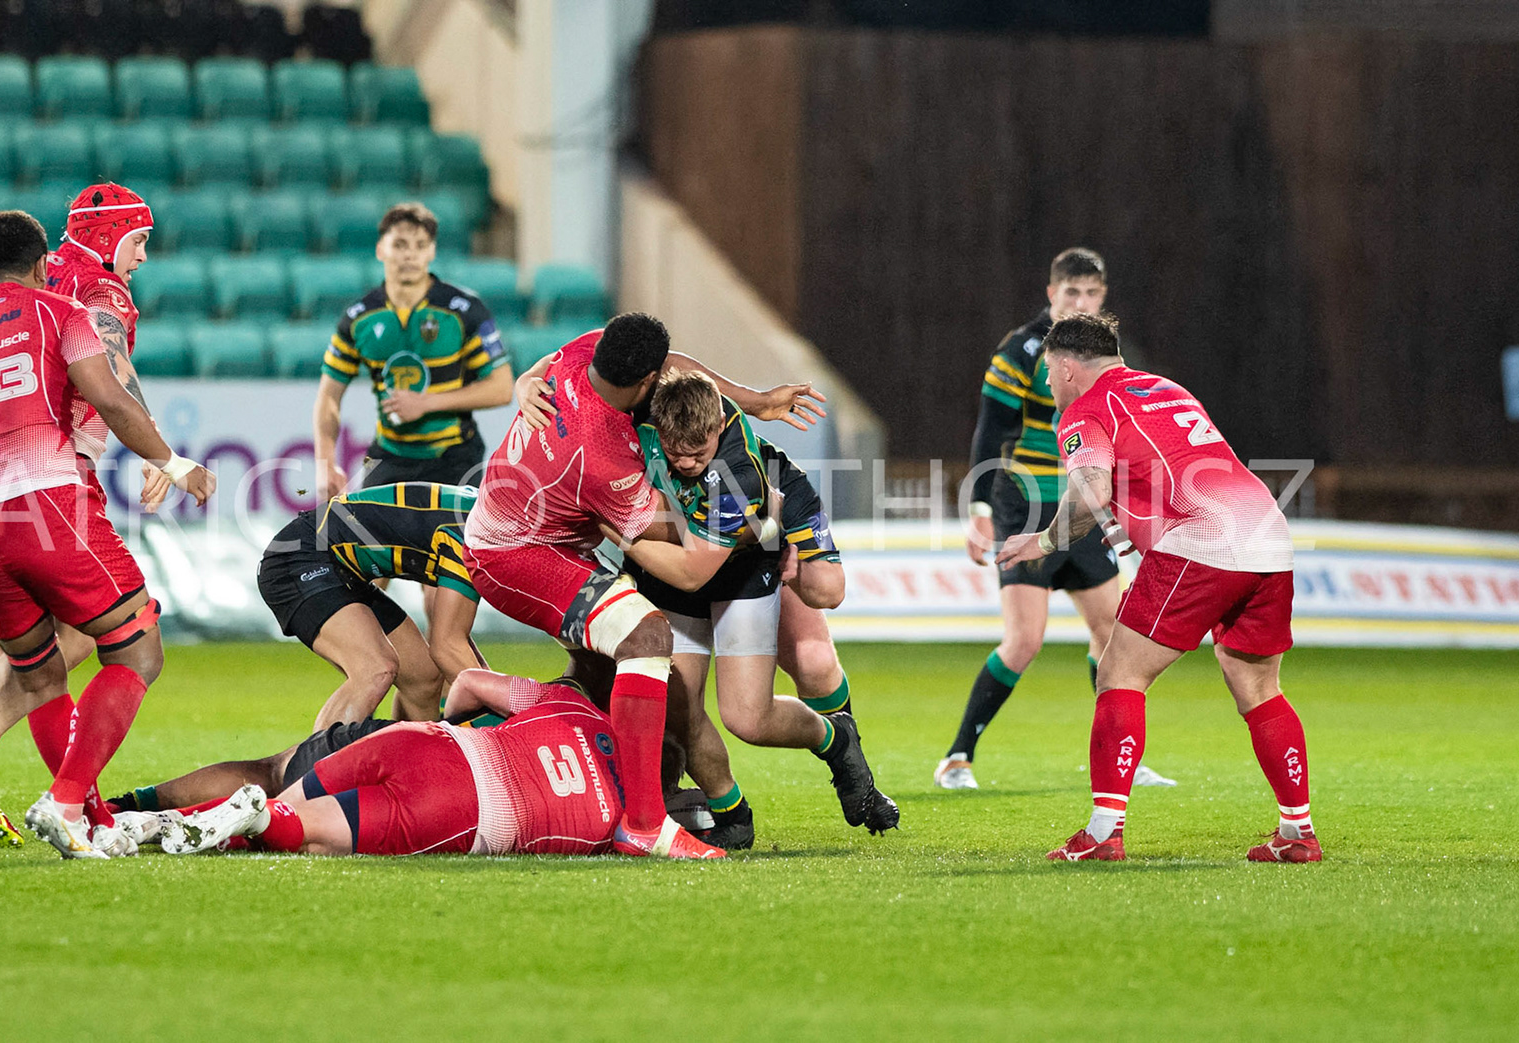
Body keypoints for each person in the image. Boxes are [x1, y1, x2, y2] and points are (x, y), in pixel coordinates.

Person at [464, 314, 825, 858]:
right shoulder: (606, 455)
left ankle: (484, 743)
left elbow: (671, 369)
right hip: (520, 557)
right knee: (647, 638)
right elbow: (686, 562)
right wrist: (759, 529)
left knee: (599, 673)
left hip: (527, 530)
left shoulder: (582, 358)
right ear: (644, 383)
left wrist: (751, 402)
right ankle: (645, 824)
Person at [0, 210, 214, 859]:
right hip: (47, 503)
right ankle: (71, 801)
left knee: (40, 672)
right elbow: (110, 399)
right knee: (138, 646)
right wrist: (174, 462)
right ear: (45, 263)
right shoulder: (57, 313)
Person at [997, 312, 1318, 863]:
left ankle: (1103, 833)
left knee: (1118, 673)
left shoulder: (1085, 408)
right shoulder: (1166, 387)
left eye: (1050, 372)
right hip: (1268, 535)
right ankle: (1298, 833)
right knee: (1258, 686)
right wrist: (1127, 518)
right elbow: (1171, 463)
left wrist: (1046, 541)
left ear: (1069, 368)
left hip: (1200, 542)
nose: (1048, 384)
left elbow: (1091, 490)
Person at [600, 370, 897, 848]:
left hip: (740, 557)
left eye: (698, 453)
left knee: (748, 718)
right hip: (692, 543)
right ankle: (731, 813)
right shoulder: (653, 408)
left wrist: (621, 534)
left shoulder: (735, 474)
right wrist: (537, 378)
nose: (686, 462)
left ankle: (835, 737)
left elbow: (693, 571)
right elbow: (665, 356)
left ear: (718, 426)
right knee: (678, 707)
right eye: (676, 453)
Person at [0, 182, 164, 839]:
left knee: (17, 641)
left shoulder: (38, 277)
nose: (143, 258)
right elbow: (113, 371)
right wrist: (160, 451)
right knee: (105, 635)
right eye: (139, 242)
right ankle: (46, 790)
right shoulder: (104, 292)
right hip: (58, 475)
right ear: (110, 237)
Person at [943, 247, 1172, 791]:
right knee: (1025, 641)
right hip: (1023, 503)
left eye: (1092, 293)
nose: (1082, 302)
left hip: (1084, 507)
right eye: (1072, 292)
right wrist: (978, 508)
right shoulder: (1021, 350)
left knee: (1114, 634)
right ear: (1051, 294)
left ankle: (1123, 760)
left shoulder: (1104, 354)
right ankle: (957, 758)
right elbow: (991, 429)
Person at [145, 669, 644, 858]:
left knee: (280, 792)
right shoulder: (627, 818)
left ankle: (136, 823)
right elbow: (651, 837)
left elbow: (468, 679)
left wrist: (457, 729)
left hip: (422, 741)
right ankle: (252, 817)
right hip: (464, 808)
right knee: (301, 833)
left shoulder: (572, 705)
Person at [313, 203, 511, 497]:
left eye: (421, 245)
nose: (410, 254)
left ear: (431, 252)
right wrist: (325, 463)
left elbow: (502, 388)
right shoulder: (359, 318)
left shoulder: (464, 311)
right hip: (389, 458)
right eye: (400, 244)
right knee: (366, 539)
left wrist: (426, 403)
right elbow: (329, 396)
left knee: (455, 543)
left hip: (455, 458)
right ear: (381, 249)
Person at [255, 481, 485, 728]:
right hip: (298, 558)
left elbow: (455, 640)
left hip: (343, 568)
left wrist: (499, 699)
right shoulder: (471, 537)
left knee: (423, 676)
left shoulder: (484, 518)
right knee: (375, 669)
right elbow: (447, 646)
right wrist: (502, 710)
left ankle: (404, 763)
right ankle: (313, 765)